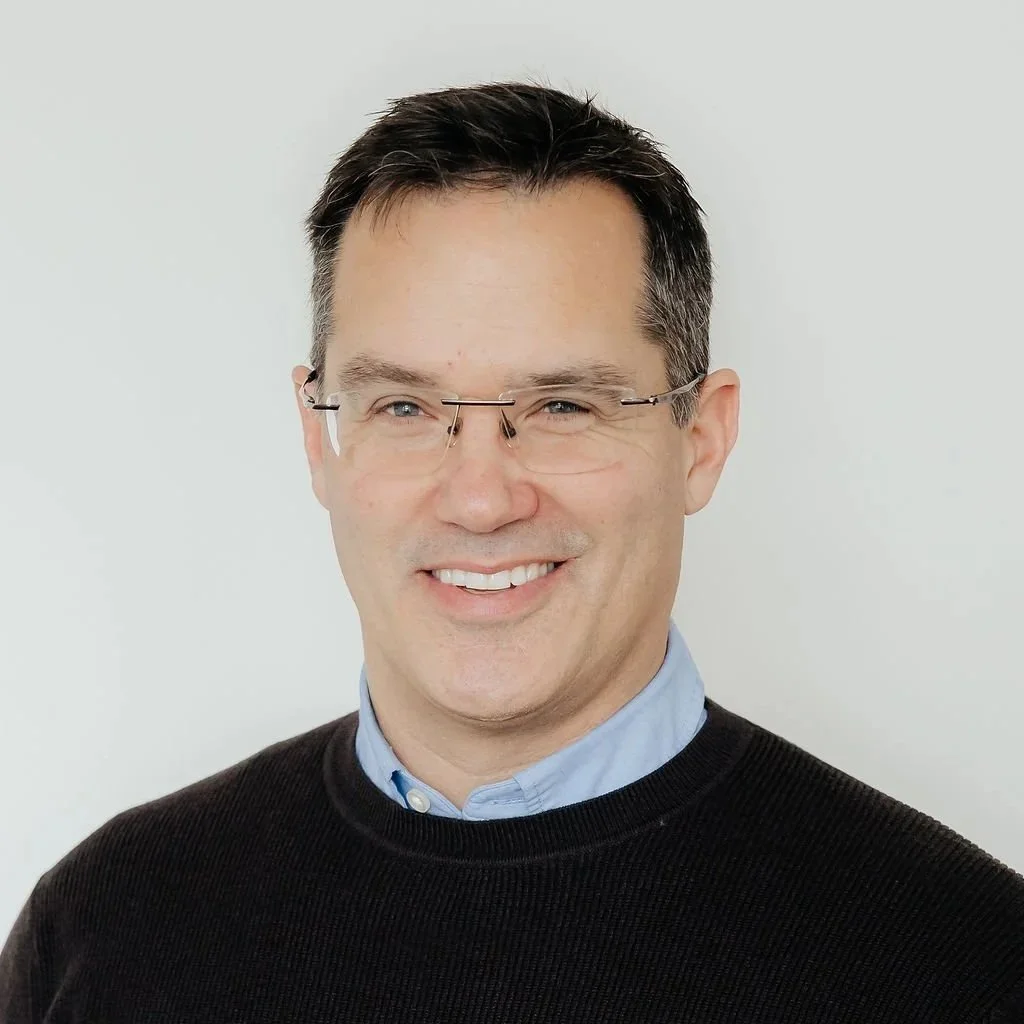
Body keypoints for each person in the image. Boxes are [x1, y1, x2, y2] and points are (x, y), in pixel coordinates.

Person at [2, 80, 1022, 1023]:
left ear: (699, 441)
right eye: (403, 405)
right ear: (320, 439)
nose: (482, 496)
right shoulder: (107, 933)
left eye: (563, 405)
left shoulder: (957, 959)